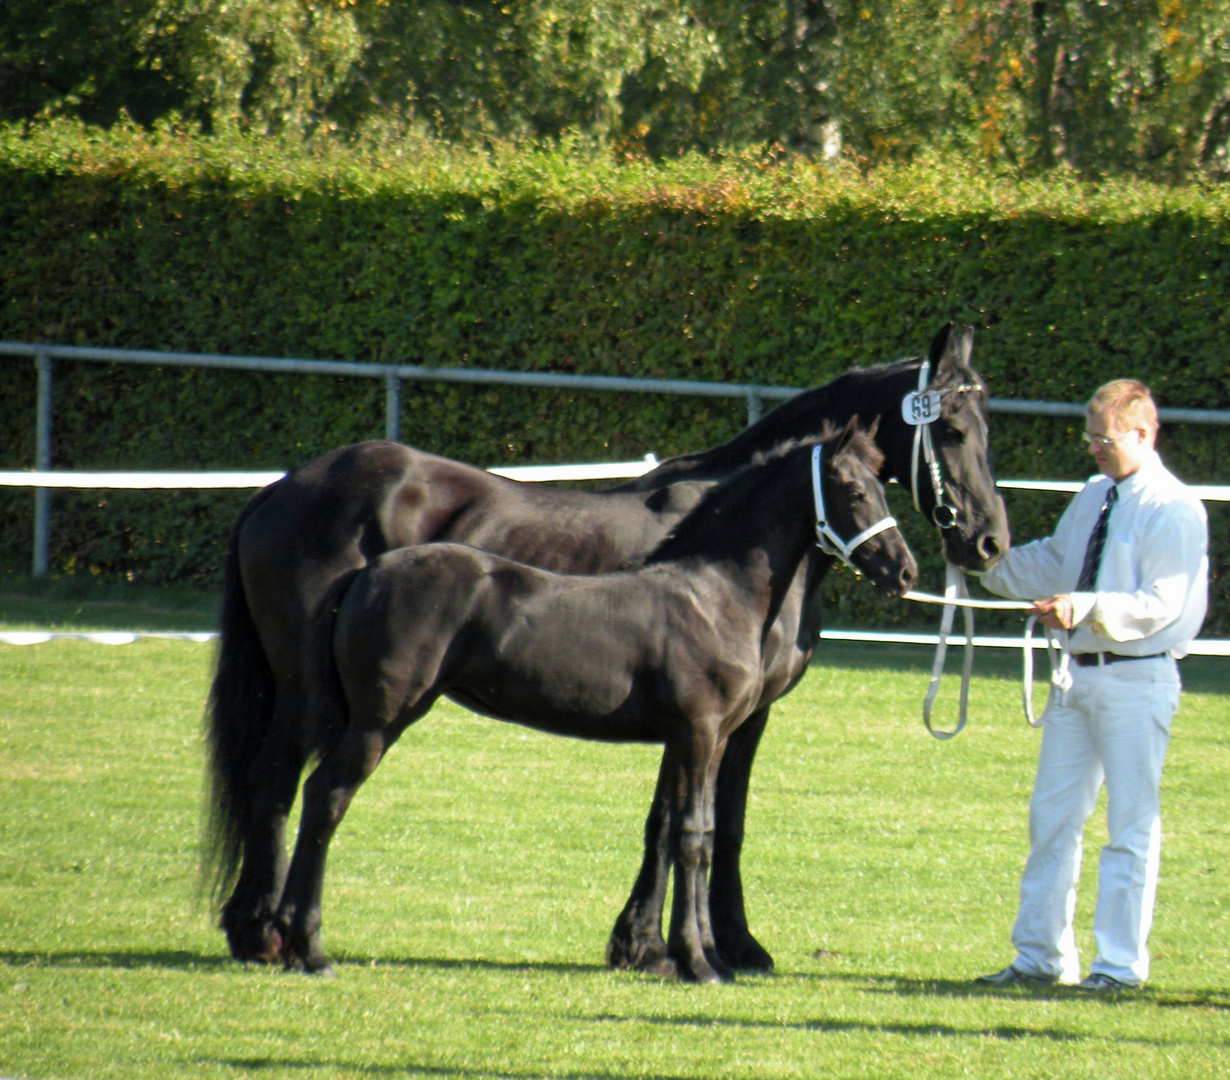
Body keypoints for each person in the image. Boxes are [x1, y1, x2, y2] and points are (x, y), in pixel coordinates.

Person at [974, 378, 1208, 992]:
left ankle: (1119, 967)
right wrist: (986, 563)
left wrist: (1085, 608)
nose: (1095, 449)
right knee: (1051, 818)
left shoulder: (1174, 507)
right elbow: (1054, 560)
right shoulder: (1095, 495)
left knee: (1131, 824)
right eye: (1090, 438)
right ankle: (1038, 957)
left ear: (1142, 433)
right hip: (1075, 678)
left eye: (1104, 439)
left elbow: (1164, 601)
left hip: (1138, 678)